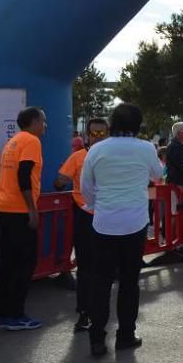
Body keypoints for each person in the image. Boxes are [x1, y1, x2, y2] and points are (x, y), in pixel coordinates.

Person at [80, 104, 164, 357]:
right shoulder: (146, 148)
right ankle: (125, 334)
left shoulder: (97, 149)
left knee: (101, 281)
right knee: (129, 281)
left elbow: (85, 186)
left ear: (112, 123)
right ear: (137, 125)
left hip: (104, 223)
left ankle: (96, 337)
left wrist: (96, 205)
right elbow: (159, 174)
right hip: (134, 223)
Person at [0, 107, 47, 331]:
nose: (45, 126)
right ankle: (16, 315)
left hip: (4, 207)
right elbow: (23, 176)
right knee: (23, 264)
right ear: (34, 121)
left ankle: (5, 314)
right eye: (43, 121)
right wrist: (32, 210)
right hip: (19, 211)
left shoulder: (13, 141)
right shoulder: (31, 142)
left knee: (7, 264)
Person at [55, 117, 109, 331]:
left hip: (108, 217)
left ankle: (99, 314)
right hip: (86, 216)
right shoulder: (78, 157)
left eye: (102, 133)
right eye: (94, 133)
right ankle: (84, 313)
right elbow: (59, 182)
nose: (98, 137)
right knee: (87, 267)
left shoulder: (110, 157)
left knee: (104, 267)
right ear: (87, 135)